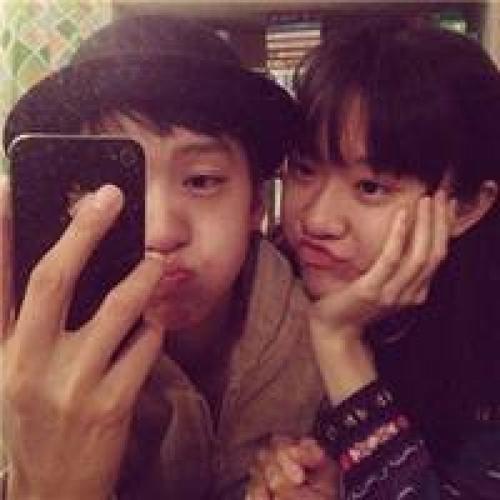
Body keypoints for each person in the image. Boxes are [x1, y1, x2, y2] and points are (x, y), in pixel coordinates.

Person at [0, 14, 325, 500]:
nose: (161, 232)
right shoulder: (29, 358)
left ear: (256, 206)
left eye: (201, 180)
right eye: (112, 187)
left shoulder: (321, 336)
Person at [246, 19, 500, 500]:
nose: (317, 219)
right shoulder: (265, 286)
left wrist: (339, 342)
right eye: (304, 169)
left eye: (370, 187)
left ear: (466, 207)